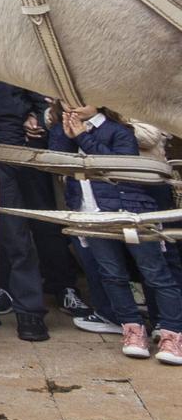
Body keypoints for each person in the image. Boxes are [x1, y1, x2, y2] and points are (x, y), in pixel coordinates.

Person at [54, 106, 182, 363]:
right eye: (67, 100)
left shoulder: (120, 130)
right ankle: (132, 329)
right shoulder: (67, 129)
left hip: (131, 211)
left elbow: (118, 168)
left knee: (156, 273)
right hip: (91, 214)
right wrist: (64, 131)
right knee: (111, 275)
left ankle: (172, 333)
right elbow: (58, 160)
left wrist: (82, 137)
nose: (75, 105)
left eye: (82, 100)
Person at [0, 82, 52, 341]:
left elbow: (40, 100)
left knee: (17, 237)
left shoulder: (5, 68)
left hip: (9, 156)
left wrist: (39, 118)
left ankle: (30, 312)